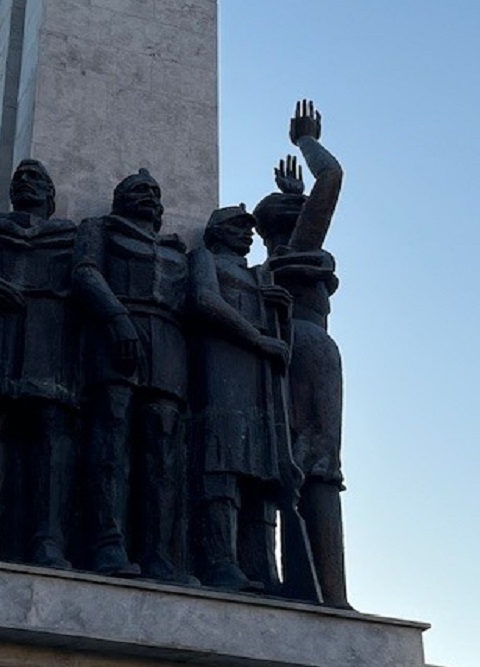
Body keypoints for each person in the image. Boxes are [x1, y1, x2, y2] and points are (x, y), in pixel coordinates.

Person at [0, 159, 79, 569]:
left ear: (52, 197)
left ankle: (49, 542)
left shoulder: (71, 239)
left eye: (36, 178)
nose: (26, 182)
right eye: (20, 178)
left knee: (51, 436)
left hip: (49, 345)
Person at [73, 169, 191, 582]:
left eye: (154, 192)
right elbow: (86, 272)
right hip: (117, 335)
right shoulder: (99, 228)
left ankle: (160, 553)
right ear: (119, 198)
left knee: (163, 449)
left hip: (169, 346)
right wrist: (116, 317)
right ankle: (107, 544)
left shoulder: (177, 250)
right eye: (138, 190)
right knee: (111, 436)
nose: (148, 196)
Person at [253, 100, 349, 607]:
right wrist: (305, 141)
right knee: (319, 467)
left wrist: (290, 198)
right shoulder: (299, 247)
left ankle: (294, 583)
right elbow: (331, 177)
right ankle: (331, 595)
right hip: (308, 350)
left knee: (284, 462)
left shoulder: (267, 263)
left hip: (272, 352)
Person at [186, 205, 294, 592]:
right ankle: (220, 562)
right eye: (237, 227)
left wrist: (280, 309)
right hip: (222, 371)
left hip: (260, 382)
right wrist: (257, 337)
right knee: (223, 464)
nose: (246, 234)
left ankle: (262, 566)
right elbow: (205, 301)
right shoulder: (204, 259)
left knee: (263, 471)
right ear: (215, 231)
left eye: (249, 229)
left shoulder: (258, 275)